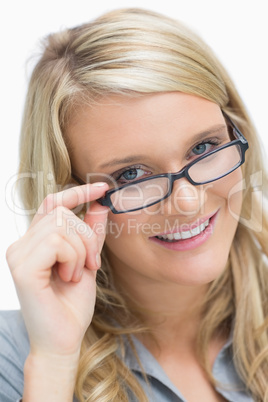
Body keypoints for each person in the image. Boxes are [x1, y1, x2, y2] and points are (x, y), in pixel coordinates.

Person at [0, 7, 267, 402]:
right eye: (132, 175)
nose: (188, 201)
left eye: (204, 147)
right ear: (72, 199)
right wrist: (54, 362)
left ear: (236, 131)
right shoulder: (15, 359)